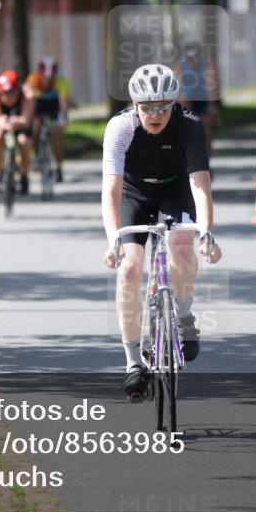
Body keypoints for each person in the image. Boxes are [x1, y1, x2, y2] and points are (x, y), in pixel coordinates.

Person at [102, 63, 222, 400]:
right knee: (129, 268)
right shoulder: (120, 127)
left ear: (175, 103)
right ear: (134, 104)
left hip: (175, 189)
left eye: (164, 107)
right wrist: (113, 240)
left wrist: (207, 233)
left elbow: (200, 187)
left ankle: (183, 315)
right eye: (148, 107)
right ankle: (132, 363)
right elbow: (110, 191)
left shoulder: (190, 126)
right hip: (133, 194)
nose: (156, 115)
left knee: (182, 245)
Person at [0, 70, 34, 194]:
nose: (9, 98)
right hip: (3, 123)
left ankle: (24, 175)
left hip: (20, 123)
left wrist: (18, 121)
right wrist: (4, 122)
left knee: (24, 142)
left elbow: (26, 120)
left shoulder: (27, 94)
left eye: (12, 94)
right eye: (5, 95)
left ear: (18, 90)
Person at [24, 56, 70, 182]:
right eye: (44, 76)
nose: (47, 79)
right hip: (39, 105)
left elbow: (63, 103)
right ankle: (37, 156)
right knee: (35, 128)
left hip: (54, 106)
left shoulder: (60, 81)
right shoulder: (32, 79)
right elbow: (28, 101)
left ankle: (59, 167)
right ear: (39, 73)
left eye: (50, 77)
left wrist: (63, 117)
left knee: (58, 133)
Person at [174, 43, 217, 153]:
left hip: (203, 98)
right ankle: (186, 151)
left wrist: (211, 104)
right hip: (186, 99)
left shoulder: (206, 64)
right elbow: (176, 85)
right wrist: (179, 101)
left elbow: (210, 85)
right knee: (186, 125)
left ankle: (207, 152)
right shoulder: (181, 64)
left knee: (206, 126)